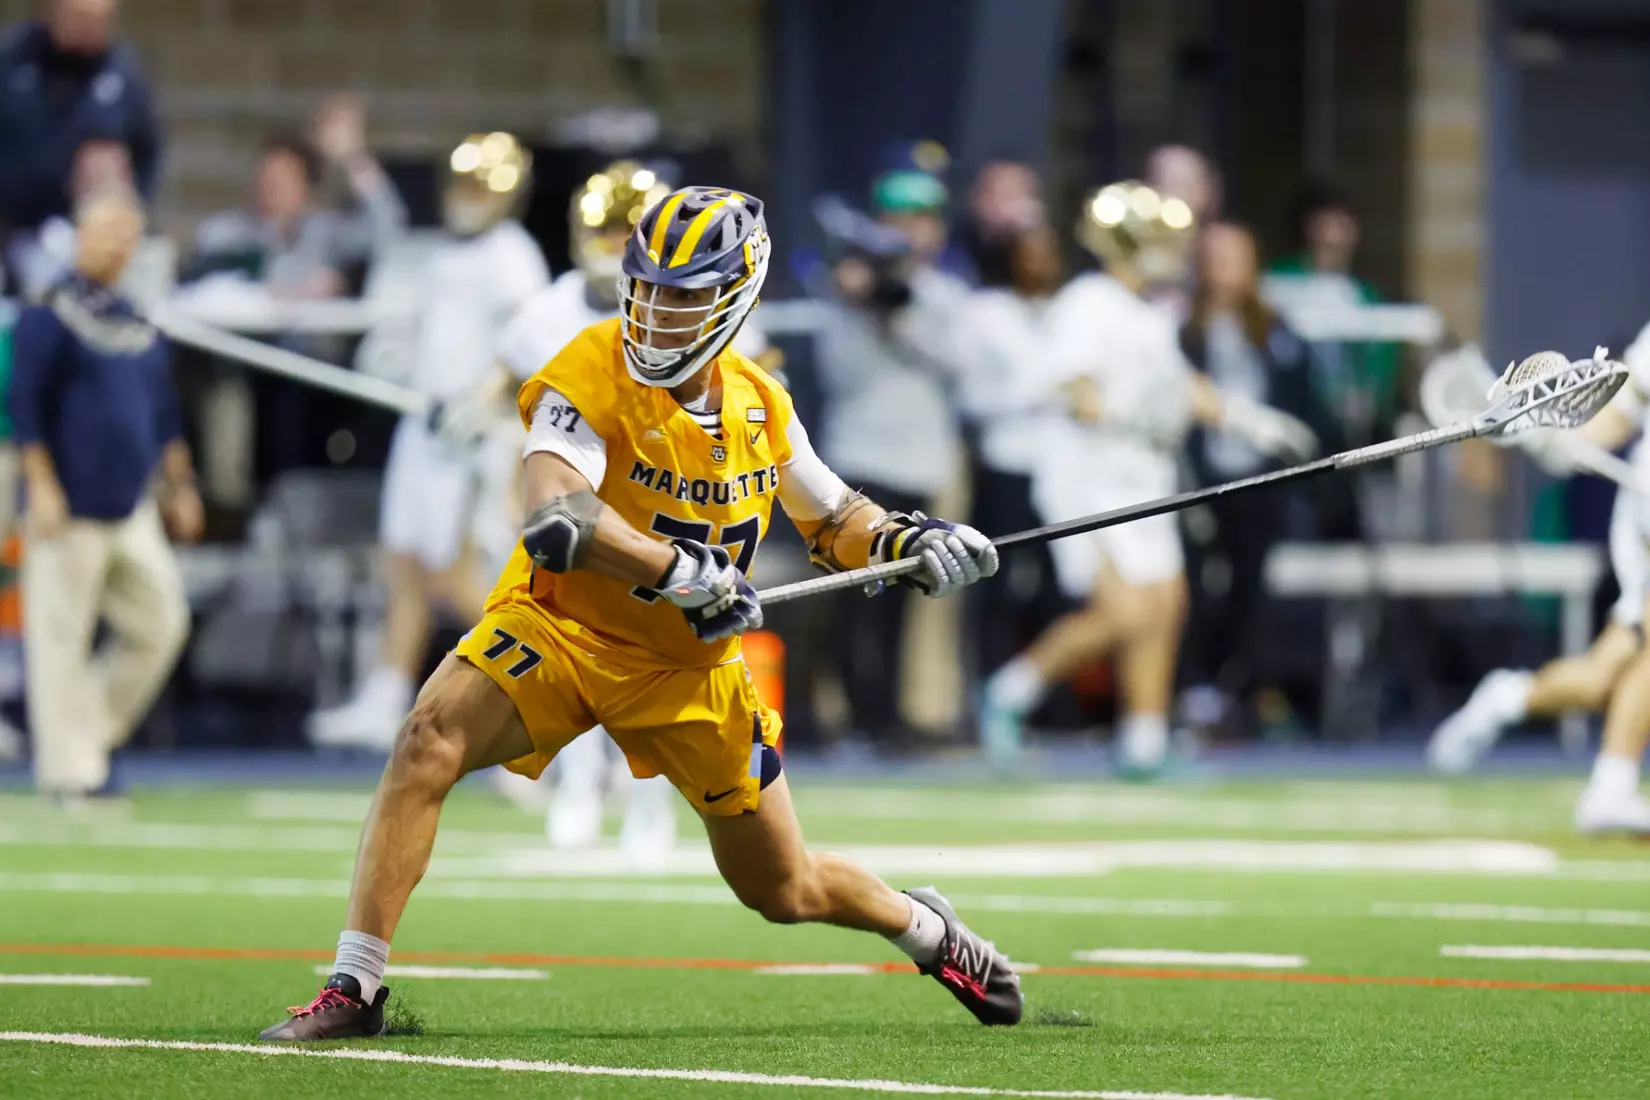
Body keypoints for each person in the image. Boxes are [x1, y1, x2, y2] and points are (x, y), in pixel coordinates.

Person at [259, 184, 1019, 1041]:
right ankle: (354, 988)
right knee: (426, 742)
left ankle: (925, 930)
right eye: (647, 286)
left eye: (684, 293)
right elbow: (555, 514)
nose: (655, 312)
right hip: (565, 630)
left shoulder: (761, 404)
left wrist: (911, 543)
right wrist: (675, 569)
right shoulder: (589, 365)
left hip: (686, 672)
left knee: (783, 890)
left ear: (737, 295)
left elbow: (836, 519)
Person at [978, 182, 1317, 774]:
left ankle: (1144, 741)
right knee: (1123, 612)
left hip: (1142, 476)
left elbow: (1183, 388)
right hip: (1089, 474)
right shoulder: (1090, 300)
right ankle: (1010, 692)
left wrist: (1248, 420)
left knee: (1166, 603)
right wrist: (1129, 413)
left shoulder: (1149, 313)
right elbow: (1075, 388)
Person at [307, 132, 549, 752]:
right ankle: (387, 692)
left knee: (454, 575)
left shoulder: (513, 257)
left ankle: (544, 695)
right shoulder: (436, 255)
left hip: (474, 436)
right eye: (460, 184)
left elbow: (531, 353)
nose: (464, 198)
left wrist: (484, 404)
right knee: (404, 562)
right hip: (424, 425)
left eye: (480, 187)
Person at [6, 188, 202, 800]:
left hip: (129, 503)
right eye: (104, 230)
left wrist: (181, 483)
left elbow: (164, 411)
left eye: (125, 232)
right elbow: (23, 408)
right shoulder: (47, 315)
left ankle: (84, 733)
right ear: (81, 236)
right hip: (67, 501)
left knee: (161, 622)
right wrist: (39, 485)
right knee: (59, 638)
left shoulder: (136, 320)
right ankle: (71, 774)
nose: (115, 242)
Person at [1428, 330, 1650, 832]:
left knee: (1603, 678)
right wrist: (1570, 442)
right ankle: (1612, 788)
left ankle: (1509, 697)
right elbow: (1628, 406)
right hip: (1647, 515)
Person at [813, 154, 968, 747]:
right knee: (856, 594)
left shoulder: (943, 296)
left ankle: (894, 716)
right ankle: (854, 716)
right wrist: (861, 303)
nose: (910, 229)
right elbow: (839, 373)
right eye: (898, 217)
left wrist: (899, 315)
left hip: (920, 459)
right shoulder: (845, 290)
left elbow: (959, 365)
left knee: (907, 593)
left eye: (923, 217)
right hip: (860, 459)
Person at [1178, 223, 1340, 733]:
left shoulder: (1273, 328)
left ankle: (1238, 692)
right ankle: (1193, 690)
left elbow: (1305, 403)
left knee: (1250, 591)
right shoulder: (1184, 328)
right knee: (1195, 590)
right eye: (1216, 257)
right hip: (1196, 481)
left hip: (1255, 481)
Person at [954, 223, 1071, 682]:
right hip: (1006, 464)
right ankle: (987, 686)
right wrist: (1038, 393)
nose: (1041, 263)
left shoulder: (1069, 311)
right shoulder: (984, 312)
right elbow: (969, 399)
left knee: (1057, 587)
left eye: (1048, 252)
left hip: (1062, 470)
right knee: (995, 584)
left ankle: (1049, 702)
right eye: (1030, 252)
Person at [0, 0, 160, 237]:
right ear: (54, 11)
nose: (88, 30)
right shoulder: (11, 61)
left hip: (84, 233)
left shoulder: (123, 76)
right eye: (80, 18)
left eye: (99, 21)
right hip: (10, 225)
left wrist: (127, 201)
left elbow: (148, 151)